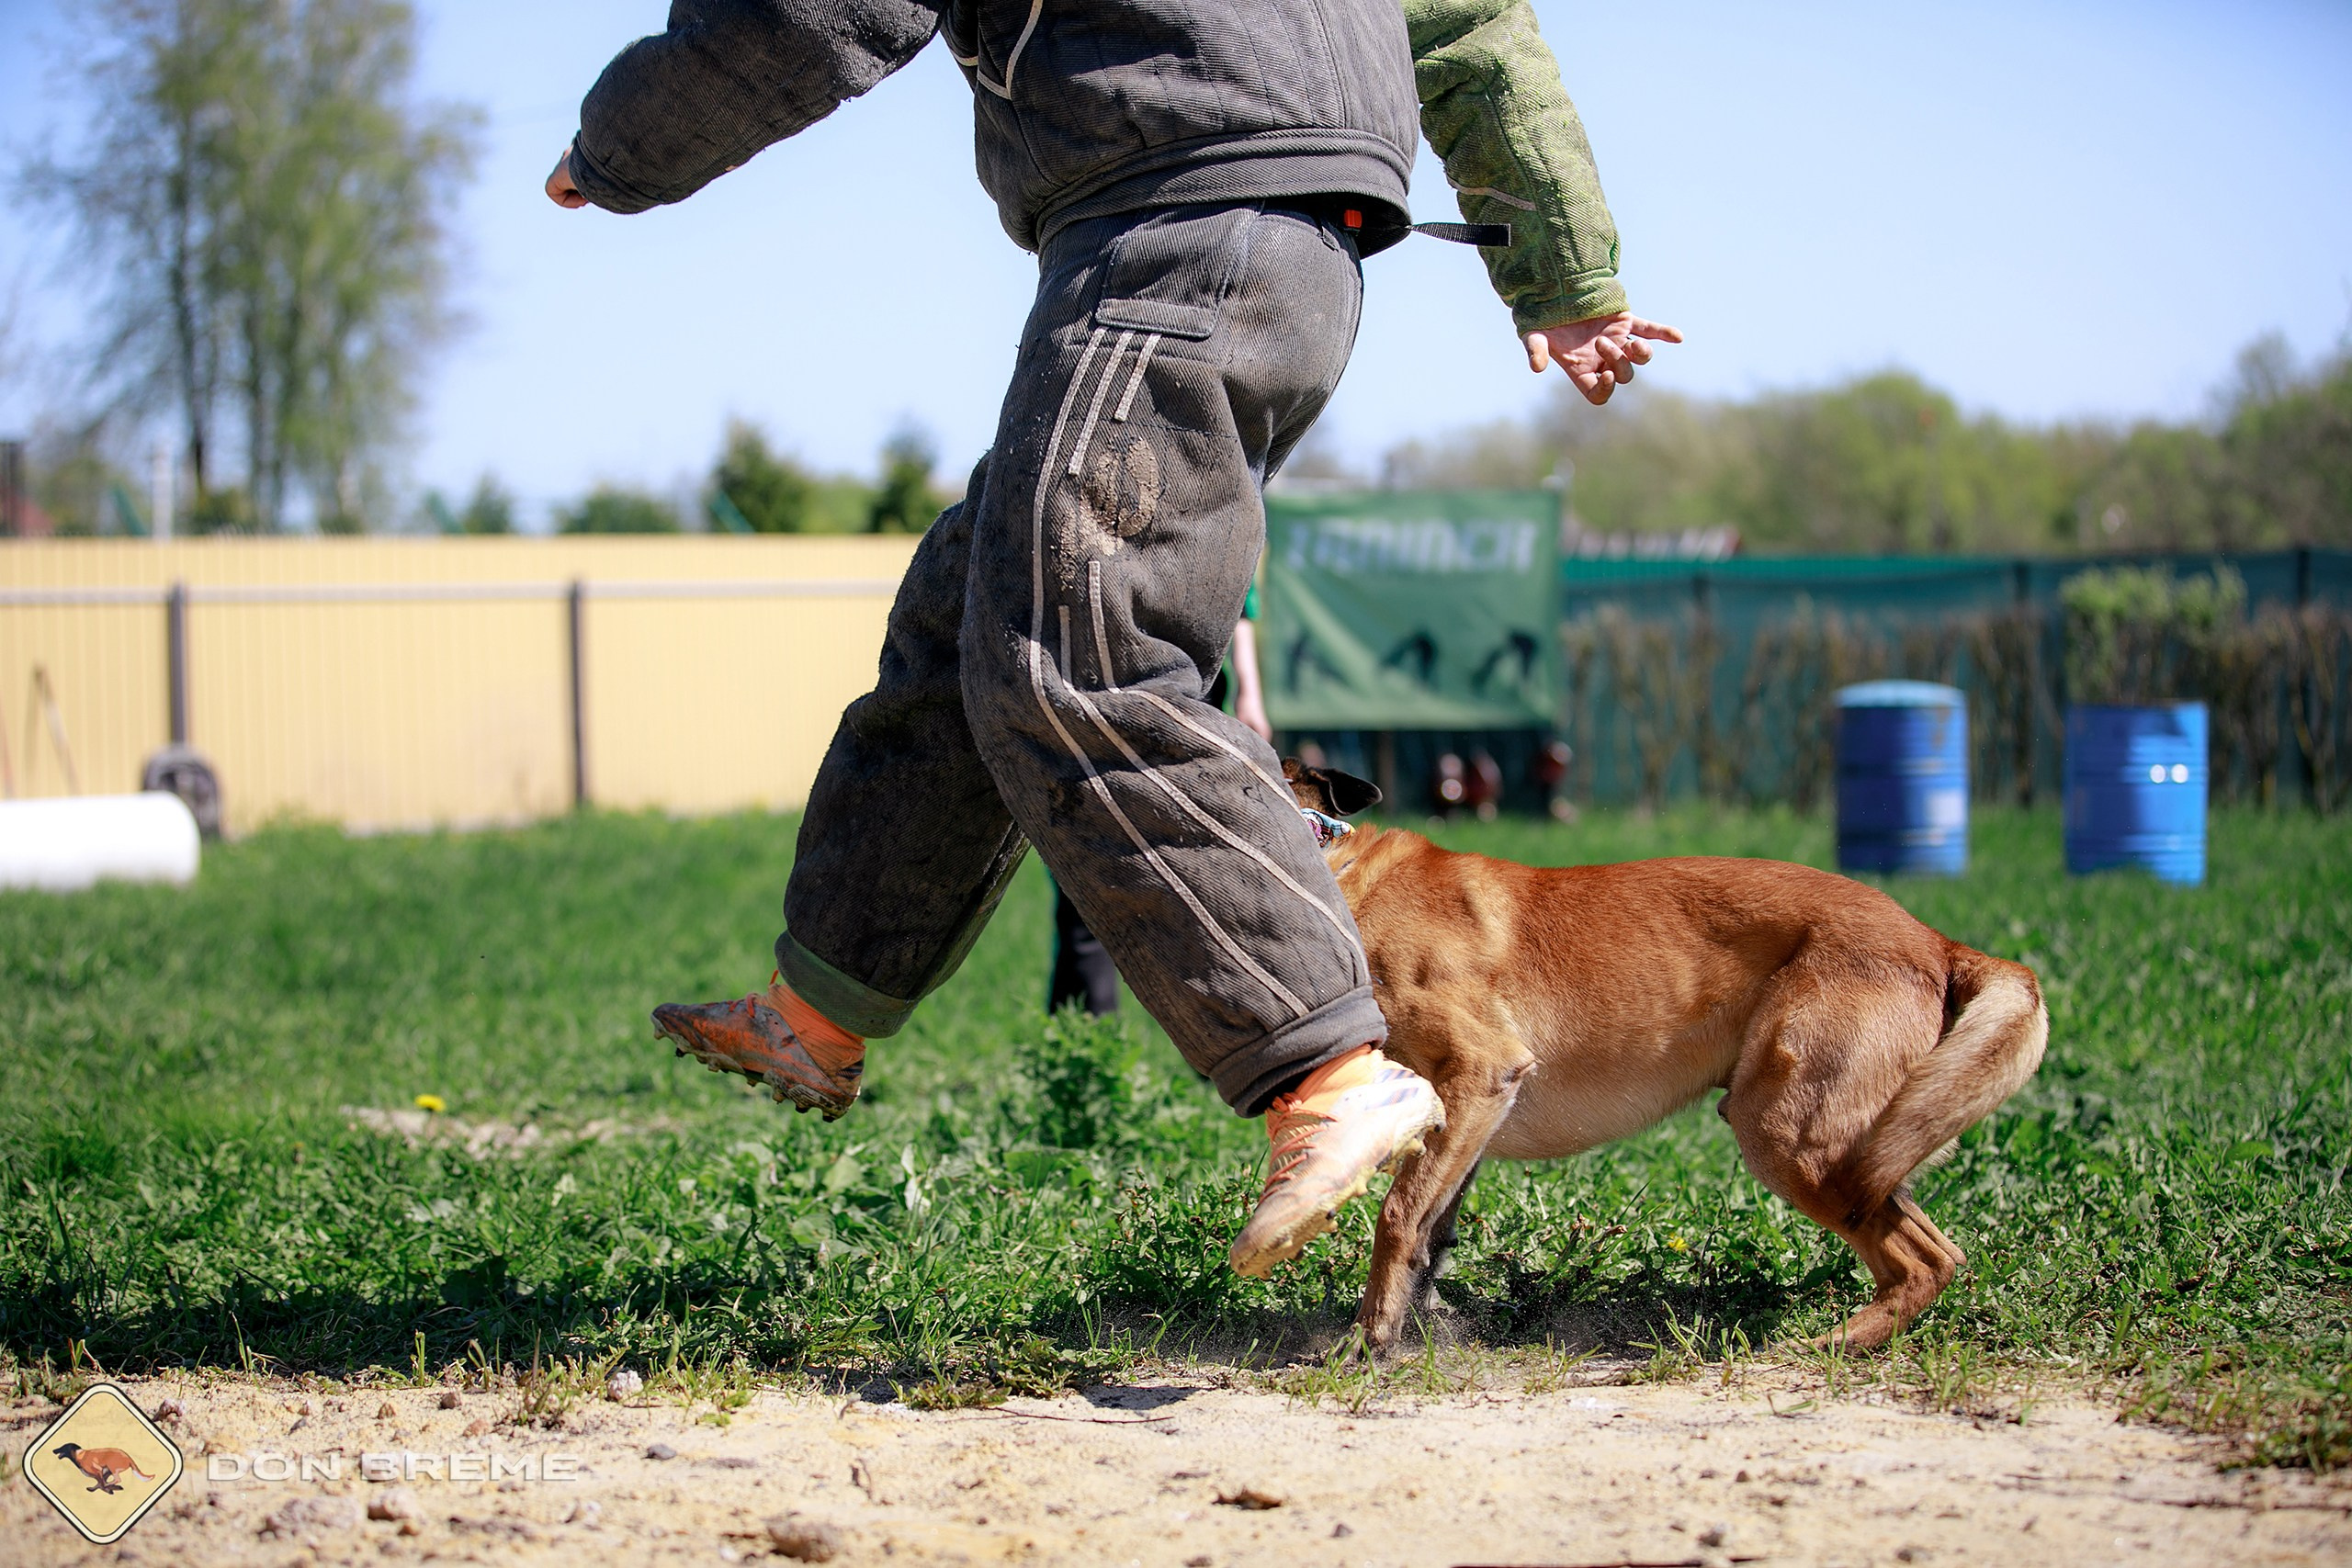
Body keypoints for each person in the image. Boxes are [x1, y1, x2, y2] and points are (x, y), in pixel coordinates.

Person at [549, 0, 1679, 1279]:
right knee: (973, 608)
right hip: (1287, 244)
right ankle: (822, 1006)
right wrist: (1566, 270)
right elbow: (1473, 25)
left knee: (1077, 653)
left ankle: (1326, 1071)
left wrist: (625, 145)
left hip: (1177, 227)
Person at [1050, 582, 1270, 1018]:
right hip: (1098, 695)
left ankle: (1228, 1036)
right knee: (1089, 873)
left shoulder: (1216, 514)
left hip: (1191, 707)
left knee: (1208, 881)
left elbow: (1238, 598)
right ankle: (1085, 1052)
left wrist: (1250, 690)